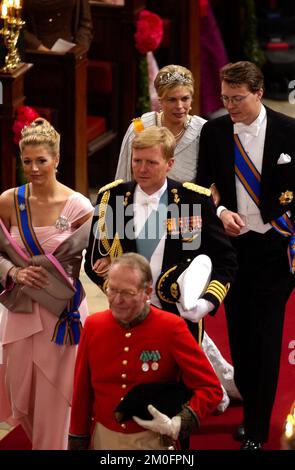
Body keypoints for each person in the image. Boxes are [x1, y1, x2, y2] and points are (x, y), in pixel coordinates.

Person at [85, 126, 238, 411]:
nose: (141, 169)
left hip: (178, 318)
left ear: (169, 163)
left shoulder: (194, 200)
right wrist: (123, 294)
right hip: (128, 317)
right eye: (136, 161)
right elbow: (94, 262)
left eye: (151, 162)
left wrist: (205, 303)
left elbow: (225, 260)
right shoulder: (112, 199)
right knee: (131, 394)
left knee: (178, 397)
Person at [197, 61, 295, 449]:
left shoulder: (290, 131)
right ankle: (251, 407)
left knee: (266, 336)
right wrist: (221, 213)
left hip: (275, 249)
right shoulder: (216, 131)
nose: (230, 106)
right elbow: (203, 185)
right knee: (239, 333)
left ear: (258, 93)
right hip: (233, 250)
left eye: (237, 98)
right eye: (224, 98)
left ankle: (256, 428)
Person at [0, 118, 93, 450]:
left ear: (56, 159)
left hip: (61, 313)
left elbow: (99, 257)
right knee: (19, 392)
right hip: (21, 308)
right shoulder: (9, 201)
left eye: (42, 160)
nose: (34, 168)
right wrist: (12, 272)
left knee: (56, 396)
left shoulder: (79, 207)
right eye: (27, 161)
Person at [68, 253, 223, 450]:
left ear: (147, 292)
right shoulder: (93, 325)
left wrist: (179, 422)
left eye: (127, 293)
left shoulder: (171, 327)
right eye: (112, 290)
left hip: (154, 441)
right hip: (104, 439)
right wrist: (78, 438)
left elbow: (211, 389)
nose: (117, 300)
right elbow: (82, 391)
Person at [115, 64, 206, 184]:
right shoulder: (140, 128)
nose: (179, 106)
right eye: (172, 100)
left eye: (184, 99)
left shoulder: (203, 131)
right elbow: (122, 180)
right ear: (160, 101)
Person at [22, 0, 93, 51]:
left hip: (70, 54)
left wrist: (78, 50)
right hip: (34, 53)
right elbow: (17, 27)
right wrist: (38, 47)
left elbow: (85, 23)